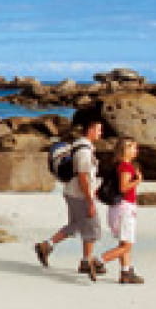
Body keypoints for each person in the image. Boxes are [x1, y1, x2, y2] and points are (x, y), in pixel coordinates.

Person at [34, 115, 105, 280]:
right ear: (91, 130)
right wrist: (90, 201)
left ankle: (46, 246)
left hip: (71, 192)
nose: (101, 133)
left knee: (75, 225)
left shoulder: (78, 146)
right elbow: (82, 177)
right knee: (92, 228)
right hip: (79, 194)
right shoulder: (84, 151)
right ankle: (86, 262)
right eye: (99, 130)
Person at [99, 137, 144, 284]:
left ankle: (126, 272)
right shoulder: (126, 167)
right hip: (124, 208)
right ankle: (99, 261)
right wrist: (137, 180)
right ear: (125, 150)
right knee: (127, 245)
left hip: (118, 208)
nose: (135, 151)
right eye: (133, 148)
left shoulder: (118, 166)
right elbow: (123, 188)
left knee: (124, 242)